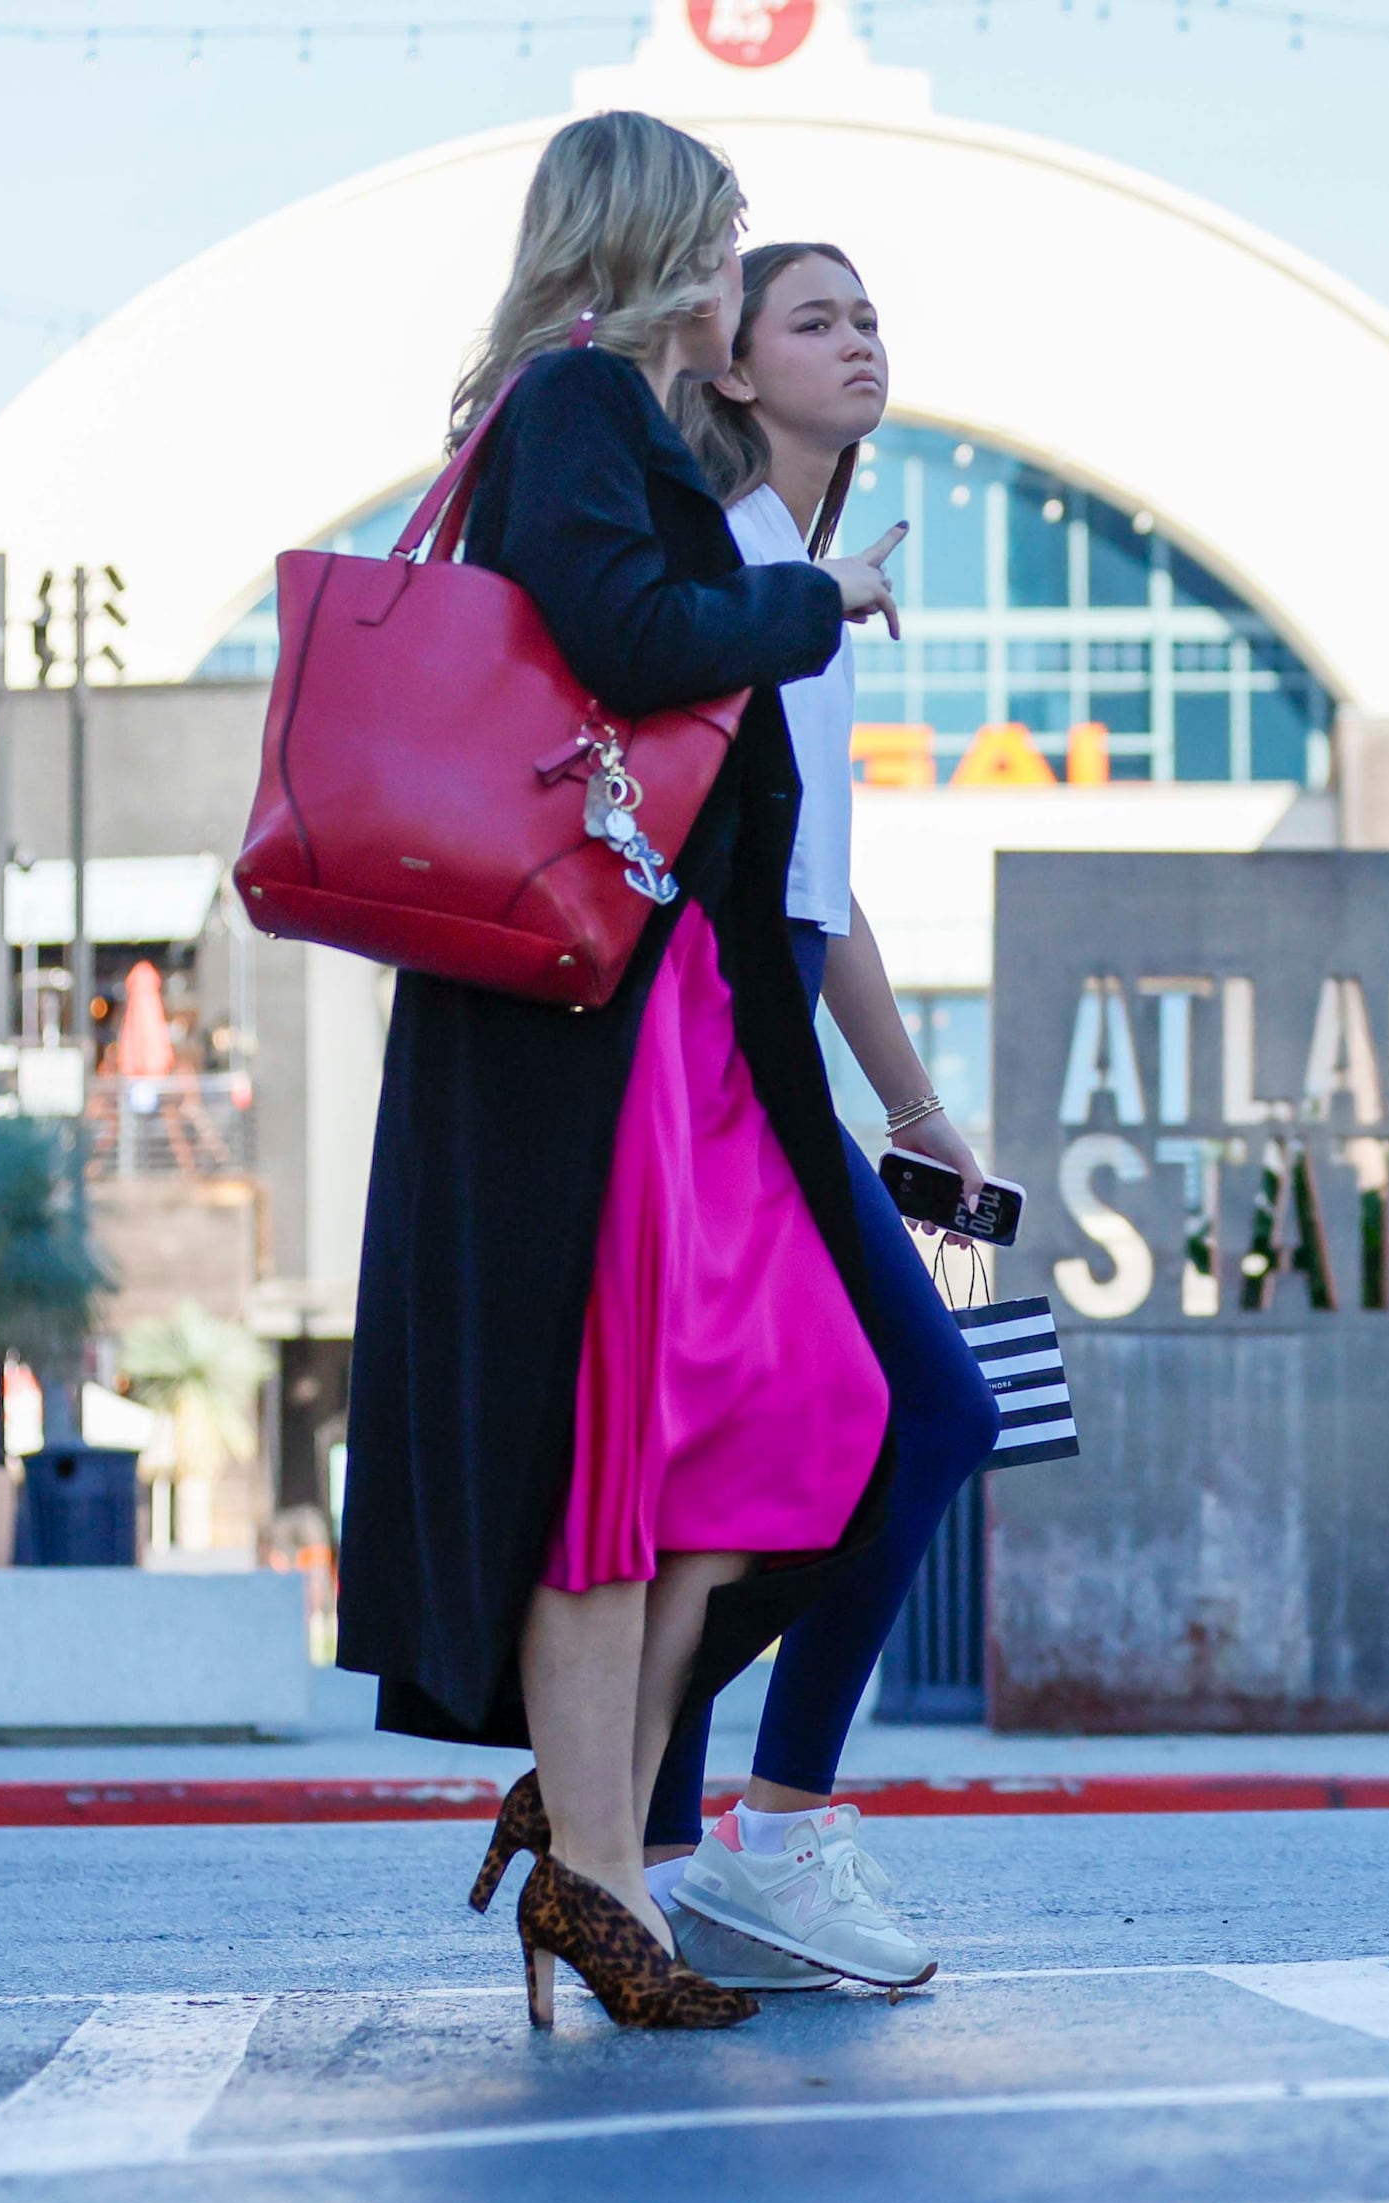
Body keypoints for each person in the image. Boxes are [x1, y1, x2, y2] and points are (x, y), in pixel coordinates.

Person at [334, 109, 906, 2030]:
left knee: (775, 1417)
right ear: (653, 229)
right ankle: (594, 1867)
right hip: (591, 1012)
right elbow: (630, 632)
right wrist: (826, 604)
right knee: (621, 1471)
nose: (736, 249)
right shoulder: (573, 398)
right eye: (723, 225)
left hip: (664, 1003)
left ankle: (587, 1830)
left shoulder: (615, 415)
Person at [633, 241, 1001, 1993]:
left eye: (870, 316)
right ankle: (754, 1829)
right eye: (815, 318)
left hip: (779, 1033)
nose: (859, 340)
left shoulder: (808, 581)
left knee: (832, 1437)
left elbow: (823, 887)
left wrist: (920, 1105)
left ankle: (644, 1816)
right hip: (712, 1050)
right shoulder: (732, 569)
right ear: (729, 370)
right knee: (917, 1410)